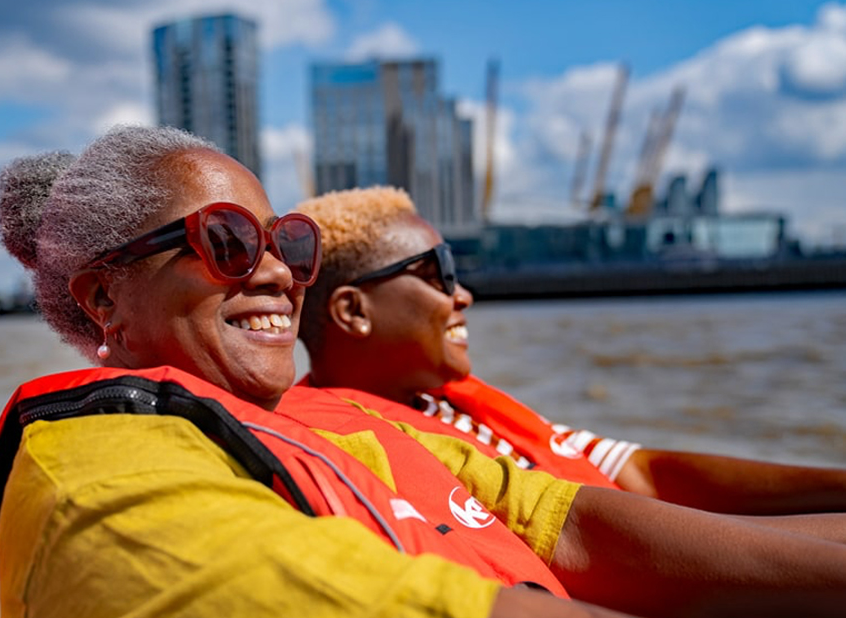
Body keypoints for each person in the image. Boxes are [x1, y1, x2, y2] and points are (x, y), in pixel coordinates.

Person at [0, 125, 844, 618]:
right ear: (104, 296)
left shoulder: (349, 423)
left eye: (287, 241)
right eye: (229, 240)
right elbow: (377, 611)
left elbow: (580, 522)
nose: (282, 272)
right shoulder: (96, 460)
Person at [295, 186, 846, 529]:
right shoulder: (343, 447)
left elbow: (639, 473)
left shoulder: (454, 404)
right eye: (439, 274)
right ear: (353, 311)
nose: (462, 296)